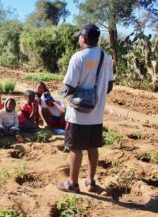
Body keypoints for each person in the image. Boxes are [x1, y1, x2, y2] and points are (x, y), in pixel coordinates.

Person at [59, 24, 114, 193]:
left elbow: (68, 87)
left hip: (78, 114)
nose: (78, 39)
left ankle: (72, 183)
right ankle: (90, 182)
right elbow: (109, 86)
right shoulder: (107, 58)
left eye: (79, 37)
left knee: (75, 148)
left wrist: (61, 93)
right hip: (96, 114)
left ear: (83, 38)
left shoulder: (78, 57)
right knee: (92, 147)